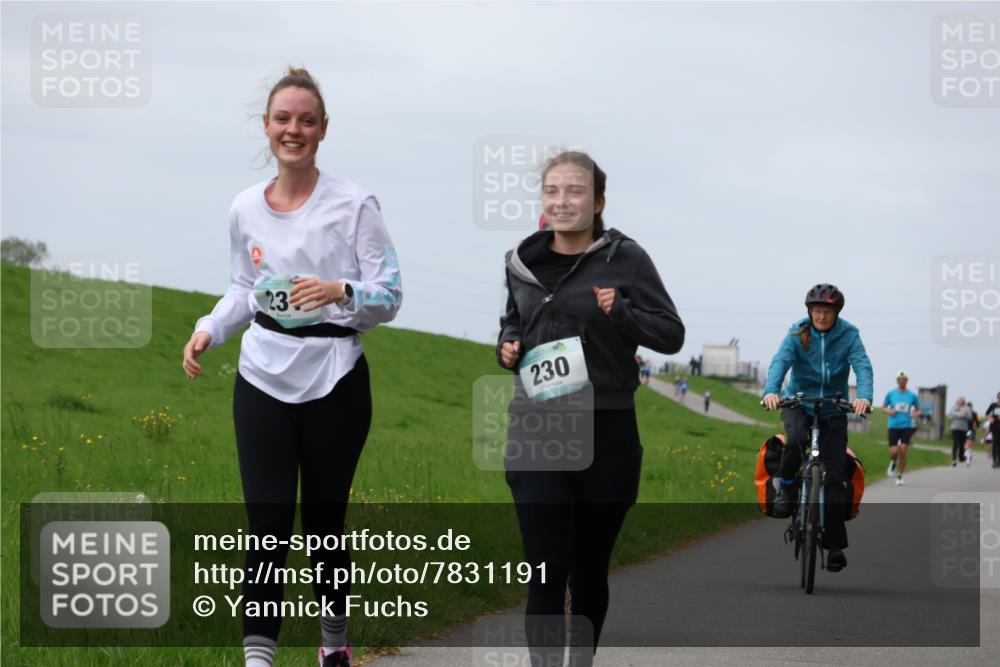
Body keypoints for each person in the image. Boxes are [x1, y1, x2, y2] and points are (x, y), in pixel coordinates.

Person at [182, 67, 402, 667]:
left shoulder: (355, 205)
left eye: (306, 120)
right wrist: (208, 328)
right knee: (268, 527)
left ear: (323, 129)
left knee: (324, 523)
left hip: (335, 377)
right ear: (267, 126)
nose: (294, 130)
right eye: (283, 119)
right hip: (261, 377)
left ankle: (333, 642)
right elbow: (243, 289)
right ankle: (260, 659)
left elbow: (390, 294)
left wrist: (339, 291)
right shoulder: (244, 208)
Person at [496, 150, 684, 665]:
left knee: (588, 569)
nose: (563, 201)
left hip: (607, 430)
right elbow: (514, 321)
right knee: (546, 570)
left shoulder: (626, 260)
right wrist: (507, 345)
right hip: (537, 427)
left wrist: (621, 312)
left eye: (575, 191)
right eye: (552, 191)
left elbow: (670, 333)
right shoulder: (520, 261)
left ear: (598, 201)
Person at [762, 284, 873, 573]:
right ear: (809, 311)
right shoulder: (797, 332)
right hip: (799, 403)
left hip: (833, 407)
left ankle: (834, 546)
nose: (821, 317)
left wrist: (864, 396)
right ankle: (785, 487)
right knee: (797, 439)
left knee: (834, 475)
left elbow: (862, 366)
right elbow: (780, 362)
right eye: (817, 311)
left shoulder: (849, 334)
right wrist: (771, 391)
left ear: (837, 313)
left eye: (827, 312)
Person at [881, 370, 922, 485]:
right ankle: (893, 462)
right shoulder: (891, 394)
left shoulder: (912, 395)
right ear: (897, 381)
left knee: (903, 450)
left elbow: (919, 409)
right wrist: (889, 411)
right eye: (900, 379)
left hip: (906, 426)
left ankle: (899, 476)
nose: (902, 381)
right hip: (893, 425)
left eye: (904, 379)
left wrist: (915, 413)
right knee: (894, 451)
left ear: (907, 381)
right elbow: (883, 407)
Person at [948, 397, 972, 467]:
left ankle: (961, 457)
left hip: (964, 429)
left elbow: (970, 417)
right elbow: (950, 415)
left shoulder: (966, 408)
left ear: (964, 402)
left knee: (962, 444)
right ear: (957, 401)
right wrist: (958, 415)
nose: (960, 402)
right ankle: (954, 459)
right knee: (955, 443)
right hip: (955, 428)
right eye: (959, 401)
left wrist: (964, 415)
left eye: (962, 401)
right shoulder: (953, 408)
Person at [986, 392, 1000, 469]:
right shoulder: (993, 405)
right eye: (999, 398)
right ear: (997, 398)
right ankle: (994, 461)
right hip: (994, 426)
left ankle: (999, 461)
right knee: (995, 443)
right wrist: (990, 418)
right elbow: (987, 413)